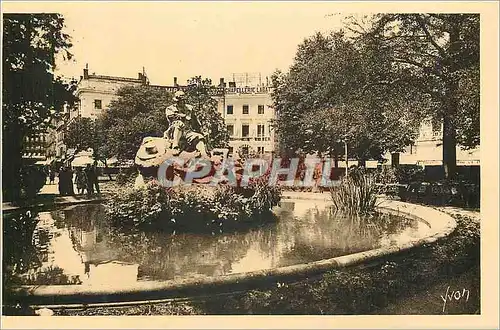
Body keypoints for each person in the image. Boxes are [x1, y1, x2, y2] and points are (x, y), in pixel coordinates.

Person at [164, 90, 208, 157]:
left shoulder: (190, 108)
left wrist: (201, 131)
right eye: (178, 101)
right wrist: (184, 116)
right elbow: (171, 117)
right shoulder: (170, 109)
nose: (180, 102)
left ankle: (204, 154)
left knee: (199, 137)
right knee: (179, 123)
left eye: (182, 100)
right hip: (174, 131)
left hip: (187, 132)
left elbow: (195, 121)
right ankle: (175, 147)